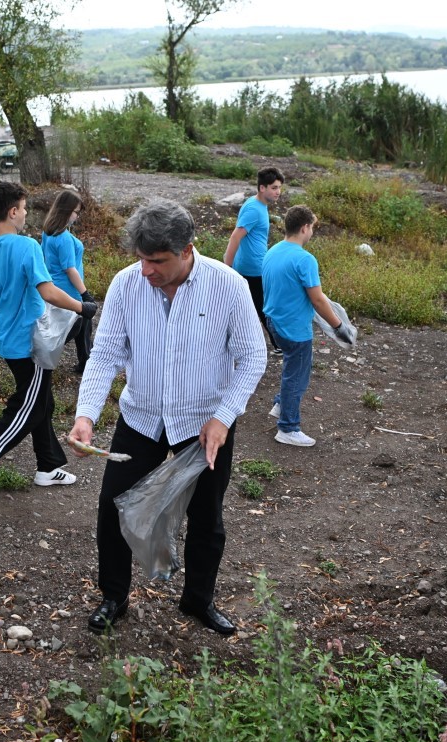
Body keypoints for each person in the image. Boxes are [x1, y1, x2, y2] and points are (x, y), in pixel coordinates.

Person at [69, 199, 266, 636]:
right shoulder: (126, 285)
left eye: (157, 261)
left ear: (187, 250)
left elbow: (254, 357)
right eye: (141, 259)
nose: (146, 271)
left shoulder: (228, 286)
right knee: (112, 509)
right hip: (140, 419)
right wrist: (86, 416)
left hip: (204, 426)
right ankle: (114, 596)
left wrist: (223, 416)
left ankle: (198, 600)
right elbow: (104, 355)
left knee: (207, 518)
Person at [0, 180, 97, 505]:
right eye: (25, 208)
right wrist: (81, 306)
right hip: (29, 340)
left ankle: (48, 466)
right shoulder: (27, 246)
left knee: (42, 402)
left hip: (8, 335)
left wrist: (12, 287)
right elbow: (47, 291)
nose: (27, 214)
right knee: (27, 409)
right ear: (13, 211)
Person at [261, 205, 353, 447]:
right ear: (304, 228)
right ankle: (288, 428)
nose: (312, 232)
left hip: (273, 321)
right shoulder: (305, 259)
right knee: (297, 375)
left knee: (292, 368)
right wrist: (338, 326)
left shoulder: (273, 251)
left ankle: (281, 405)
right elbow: (318, 300)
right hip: (293, 328)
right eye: (312, 227)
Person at [223, 166, 284, 352]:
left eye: (279, 188)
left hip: (256, 267)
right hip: (253, 270)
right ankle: (279, 345)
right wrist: (227, 268)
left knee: (256, 308)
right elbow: (235, 237)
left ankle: (271, 344)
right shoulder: (253, 209)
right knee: (266, 309)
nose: (278, 192)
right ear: (262, 188)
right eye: (274, 188)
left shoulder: (259, 205)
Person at [41, 188, 94, 374]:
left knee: (80, 325)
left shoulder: (49, 232)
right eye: (76, 212)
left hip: (56, 287)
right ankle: (43, 358)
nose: (77, 216)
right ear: (66, 210)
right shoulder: (63, 238)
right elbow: (70, 269)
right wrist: (85, 294)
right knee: (72, 327)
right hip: (69, 289)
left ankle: (85, 362)